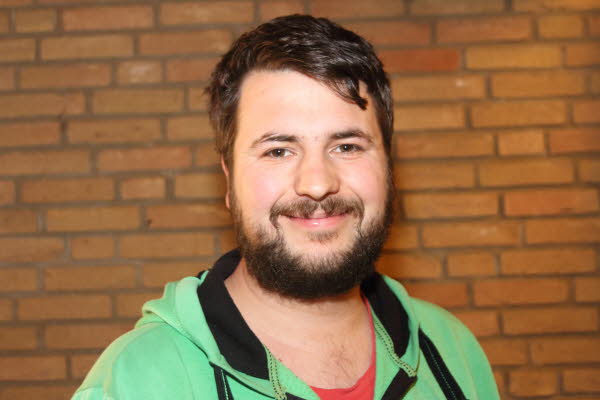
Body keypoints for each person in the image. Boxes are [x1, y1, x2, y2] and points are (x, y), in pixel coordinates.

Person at [72, 15, 499, 400]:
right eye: (278, 151)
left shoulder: (451, 350)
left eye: (347, 146)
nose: (317, 184)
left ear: (389, 168)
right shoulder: (136, 381)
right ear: (228, 180)